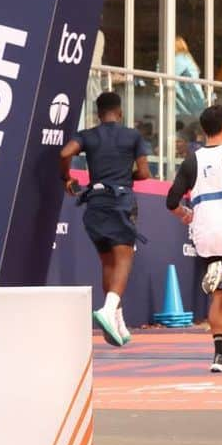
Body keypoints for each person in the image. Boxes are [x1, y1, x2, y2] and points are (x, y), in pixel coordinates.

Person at [165, 104, 222, 372]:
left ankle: (219, 355)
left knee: (218, 294)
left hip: (205, 234)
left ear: (202, 131)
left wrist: (185, 214)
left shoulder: (191, 161)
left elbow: (171, 201)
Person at [60, 91, 150, 346]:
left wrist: (67, 177)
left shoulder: (88, 136)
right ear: (119, 113)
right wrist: (124, 174)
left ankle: (117, 322)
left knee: (108, 264)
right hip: (120, 202)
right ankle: (108, 310)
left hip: (95, 204)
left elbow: (65, 153)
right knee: (123, 260)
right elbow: (144, 173)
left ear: (98, 114)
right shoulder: (132, 136)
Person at [173, 36, 207, 123]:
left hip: (189, 103)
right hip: (195, 101)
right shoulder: (187, 58)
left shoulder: (180, 58)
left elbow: (168, 77)